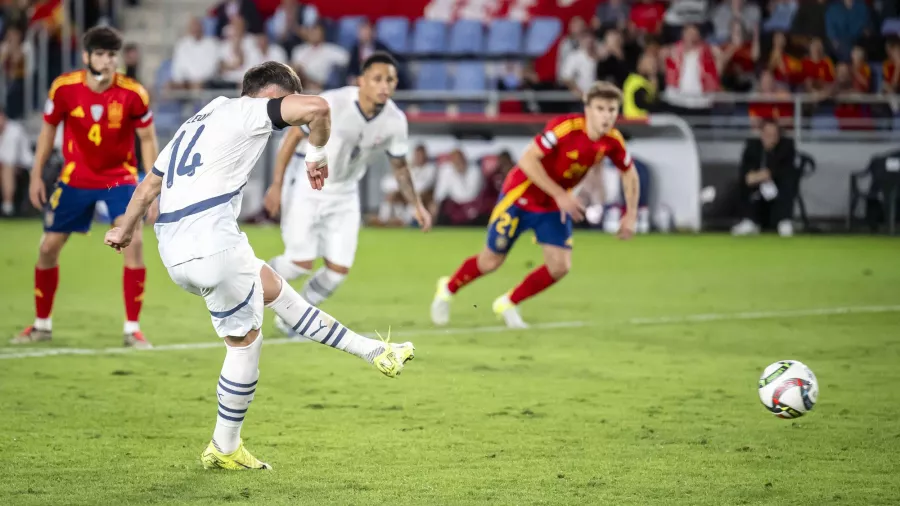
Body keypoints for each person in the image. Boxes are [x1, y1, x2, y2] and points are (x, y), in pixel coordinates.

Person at [103, 61, 416, 471]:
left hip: (176, 245)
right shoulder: (251, 111)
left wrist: (125, 227)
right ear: (273, 94)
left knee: (273, 289)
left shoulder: (200, 117)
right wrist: (317, 155)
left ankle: (374, 351)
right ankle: (225, 446)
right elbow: (319, 108)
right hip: (211, 242)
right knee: (246, 343)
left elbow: (149, 184)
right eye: (284, 102)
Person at [430, 81, 640, 329]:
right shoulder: (565, 128)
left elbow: (630, 173)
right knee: (491, 262)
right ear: (587, 108)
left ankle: (509, 302)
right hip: (520, 196)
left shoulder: (613, 141)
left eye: (612, 110)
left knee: (560, 266)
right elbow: (528, 160)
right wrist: (561, 194)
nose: (606, 116)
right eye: (600, 108)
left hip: (553, 204)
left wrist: (631, 214)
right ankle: (447, 289)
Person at [264, 52, 432, 336]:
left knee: (338, 270)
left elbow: (400, 165)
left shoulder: (395, 121)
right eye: (377, 79)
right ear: (361, 81)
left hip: (345, 192)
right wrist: (277, 184)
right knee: (299, 263)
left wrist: (417, 204)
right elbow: (293, 135)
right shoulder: (334, 102)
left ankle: (292, 318)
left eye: (390, 80)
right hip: (308, 183)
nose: (384, 86)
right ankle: (249, 285)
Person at [13, 27, 159, 347]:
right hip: (75, 177)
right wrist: (37, 176)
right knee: (48, 248)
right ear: (86, 57)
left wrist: (152, 187)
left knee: (133, 243)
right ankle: (41, 325)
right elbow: (48, 133)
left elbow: (147, 139)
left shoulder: (134, 93)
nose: (107, 61)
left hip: (119, 178)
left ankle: (132, 329)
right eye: (101, 54)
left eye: (111, 55)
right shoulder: (64, 88)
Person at [731, 119, 797, 237]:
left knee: (788, 182)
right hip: (758, 187)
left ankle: (784, 221)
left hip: (777, 184)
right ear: (761, 134)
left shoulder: (786, 146)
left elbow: (781, 169)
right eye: (767, 135)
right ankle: (749, 221)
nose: (770, 138)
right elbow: (746, 173)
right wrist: (758, 176)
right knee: (741, 185)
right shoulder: (752, 146)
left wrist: (764, 175)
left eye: (773, 135)